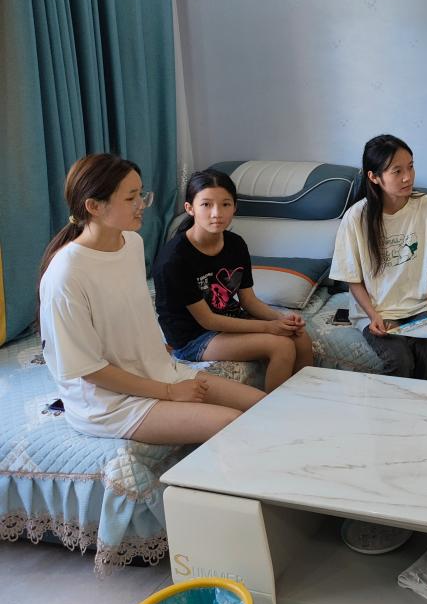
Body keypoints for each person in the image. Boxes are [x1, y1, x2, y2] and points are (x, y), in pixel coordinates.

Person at [38, 154, 264, 444]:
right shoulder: (66, 273)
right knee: (233, 425)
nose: (142, 204)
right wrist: (169, 393)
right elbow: (89, 370)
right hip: (109, 402)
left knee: (265, 406)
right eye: (130, 197)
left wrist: (158, 360)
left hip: (158, 372)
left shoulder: (132, 243)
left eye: (141, 194)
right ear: (94, 206)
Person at [153, 169, 315, 392]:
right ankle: (275, 410)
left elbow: (248, 300)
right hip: (193, 337)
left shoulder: (235, 244)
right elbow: (208, 320)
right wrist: (269, 328)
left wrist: (282, 319)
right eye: (206, 204)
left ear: (235, 207)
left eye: (225, 204)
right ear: (190, 208)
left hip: (228, 319)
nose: (216, 213)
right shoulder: (174, 258)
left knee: (300, 336)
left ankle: (307, 400)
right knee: (281, 346)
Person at [330, 134, 427, 379]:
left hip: (421, 307)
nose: (408, 177)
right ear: (374, 177)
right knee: (400, 360)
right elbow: (352, 279)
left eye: (410, 167)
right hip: (378, 310)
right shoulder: (356, 217)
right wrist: (373, 315)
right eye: (397, 171)